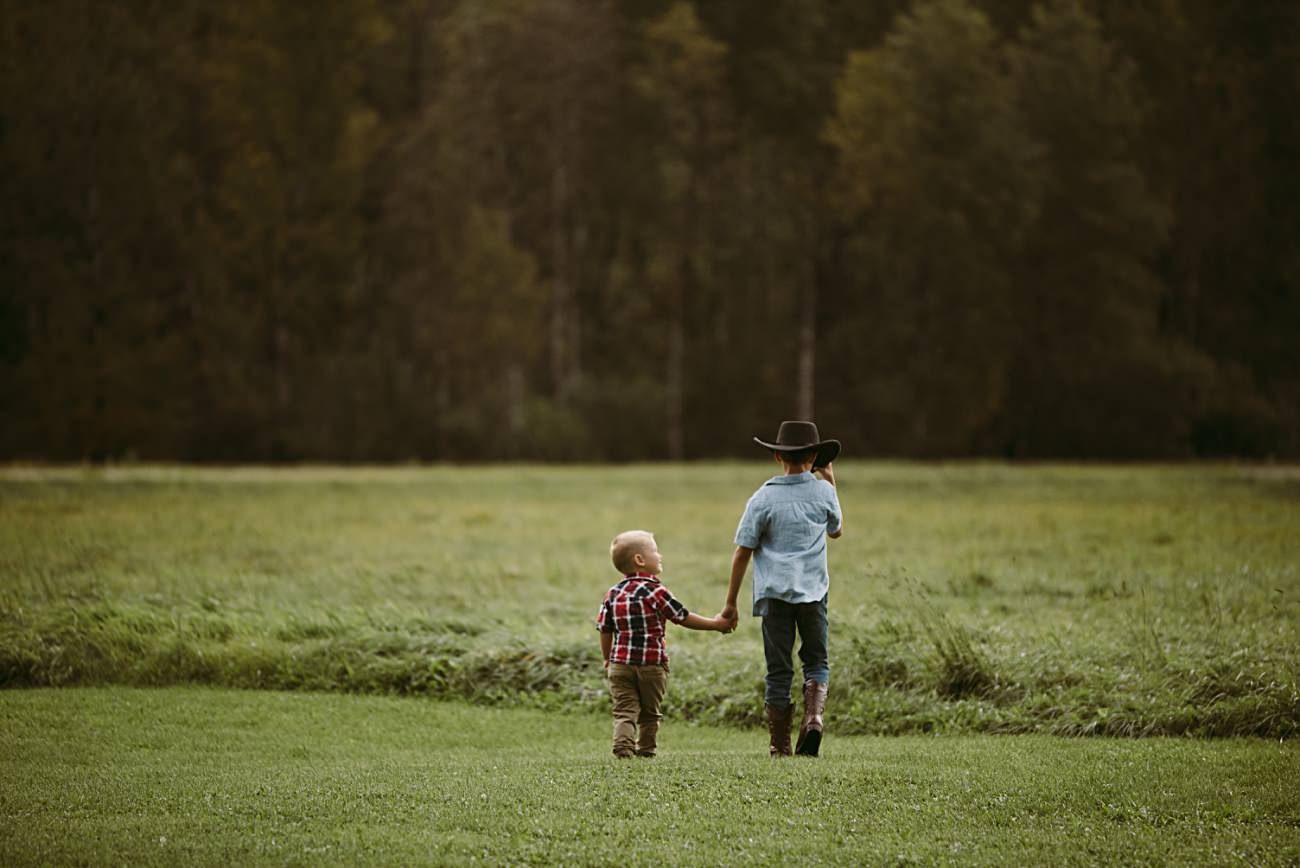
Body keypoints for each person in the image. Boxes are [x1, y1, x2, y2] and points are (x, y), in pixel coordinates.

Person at [719, 420, 843, 757]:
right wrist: (829, 480)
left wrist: (730, 603)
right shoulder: (824, 492)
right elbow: (836, 530)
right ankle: (814, 717)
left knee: (778, 668)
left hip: (773, 594)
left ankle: (779, 745)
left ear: (777, 456)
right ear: (815, 456)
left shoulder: (762, 498)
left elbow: (742, 550)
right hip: (814, 593)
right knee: (816, 659)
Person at [596, 530, 730, 758]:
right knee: (649, 713)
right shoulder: (656, 591)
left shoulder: (613, 593)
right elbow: (682, 616)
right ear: (640, 560)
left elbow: (605, 629)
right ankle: (646, 750)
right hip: (651, 665)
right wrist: (716, 624)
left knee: (624, 711)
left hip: (620, 665)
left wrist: (607, 658)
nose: (660, 556)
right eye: (655, 551)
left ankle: (623, 747)